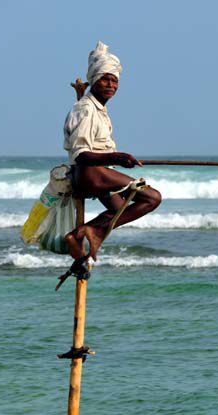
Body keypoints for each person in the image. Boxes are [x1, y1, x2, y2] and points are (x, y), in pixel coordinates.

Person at [63, 41, 161, 262]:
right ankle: (89, 231)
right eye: (105, 79)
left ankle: (79, 240)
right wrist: (117, 157)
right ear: (95, 81)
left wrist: (115, 159)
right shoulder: (86, 108)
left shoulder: (98, 108)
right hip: (90, 174)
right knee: (152, 198)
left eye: (114, 80)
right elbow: (81, 154)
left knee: (119, 210)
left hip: (99, 174)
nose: (110, 85)